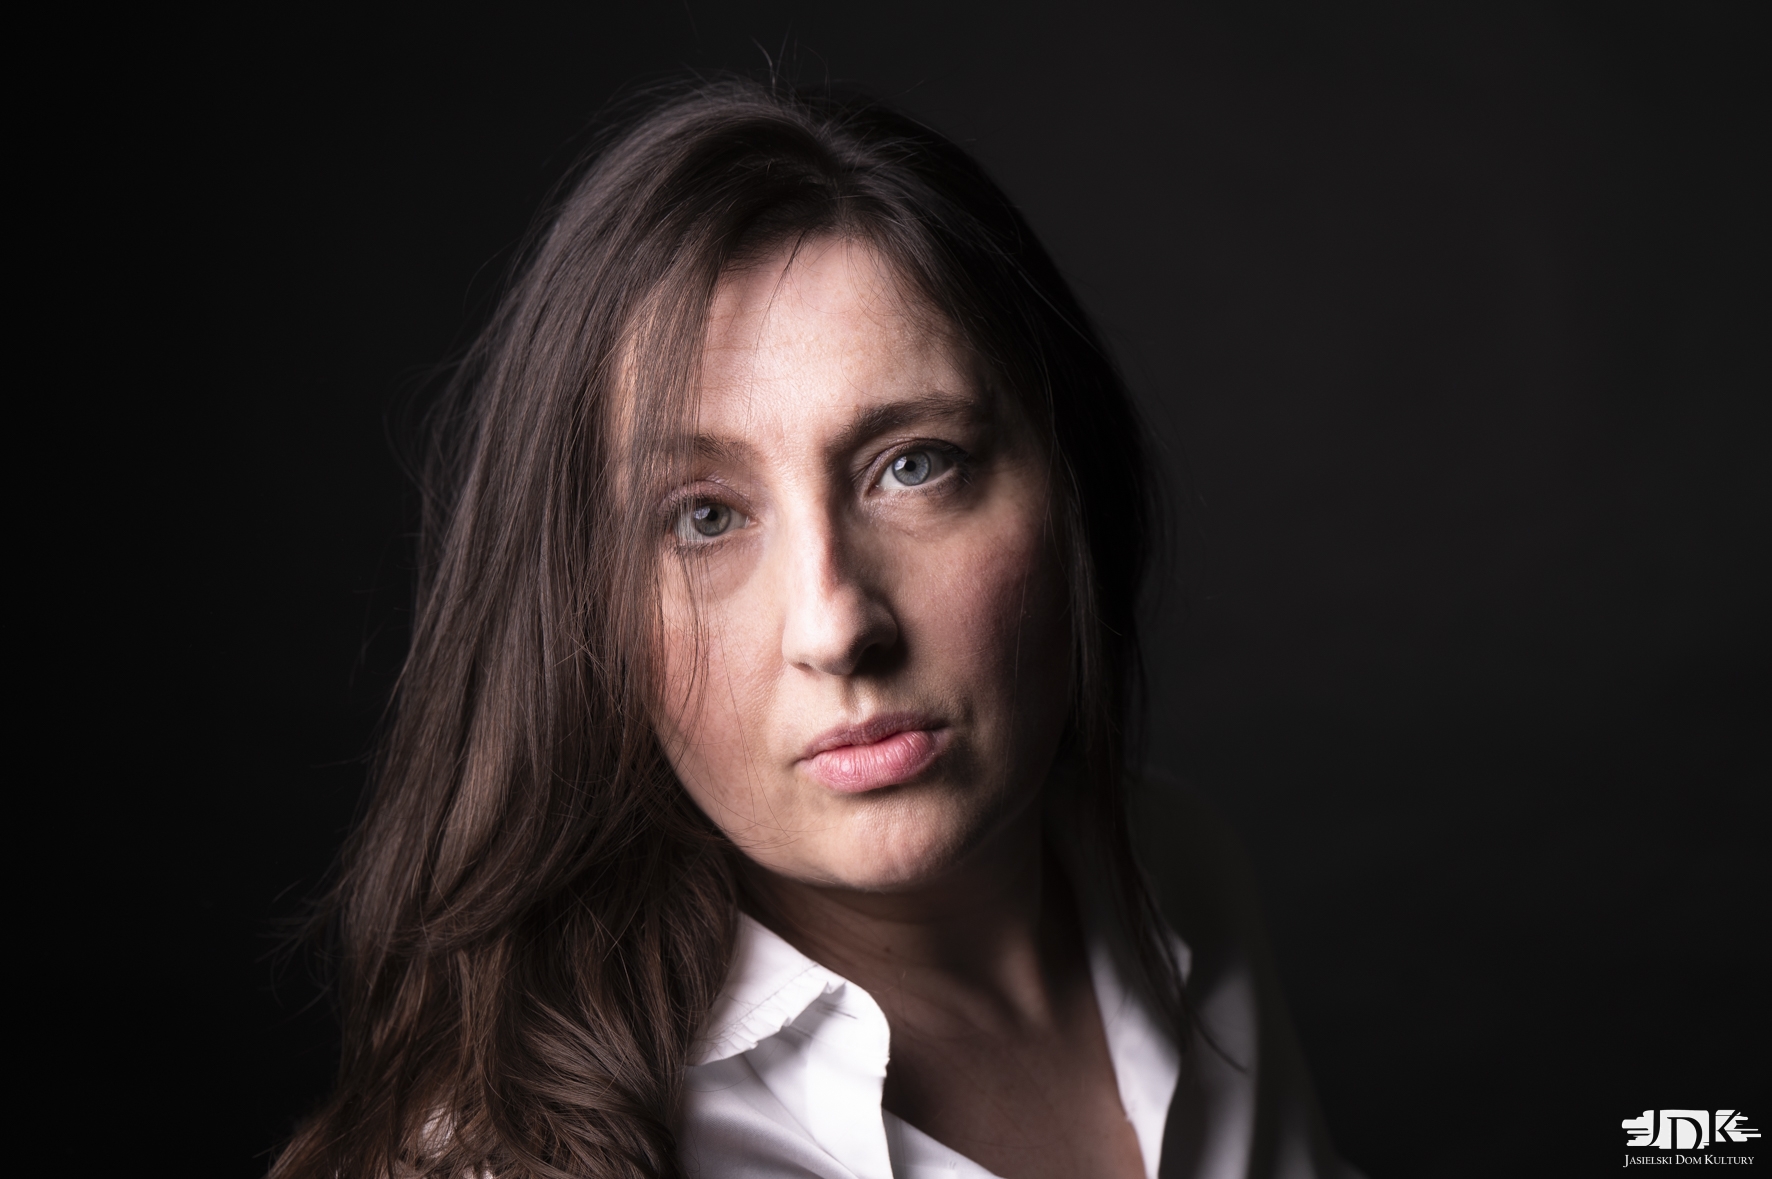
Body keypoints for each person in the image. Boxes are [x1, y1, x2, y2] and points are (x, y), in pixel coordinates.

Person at [270, 78, 1353, 1179]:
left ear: (1071, 484)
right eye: (703, 518)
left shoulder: (1181, 877)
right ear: (583, 611)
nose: (836, 626)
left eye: (913, 466)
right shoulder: (516, 1161)